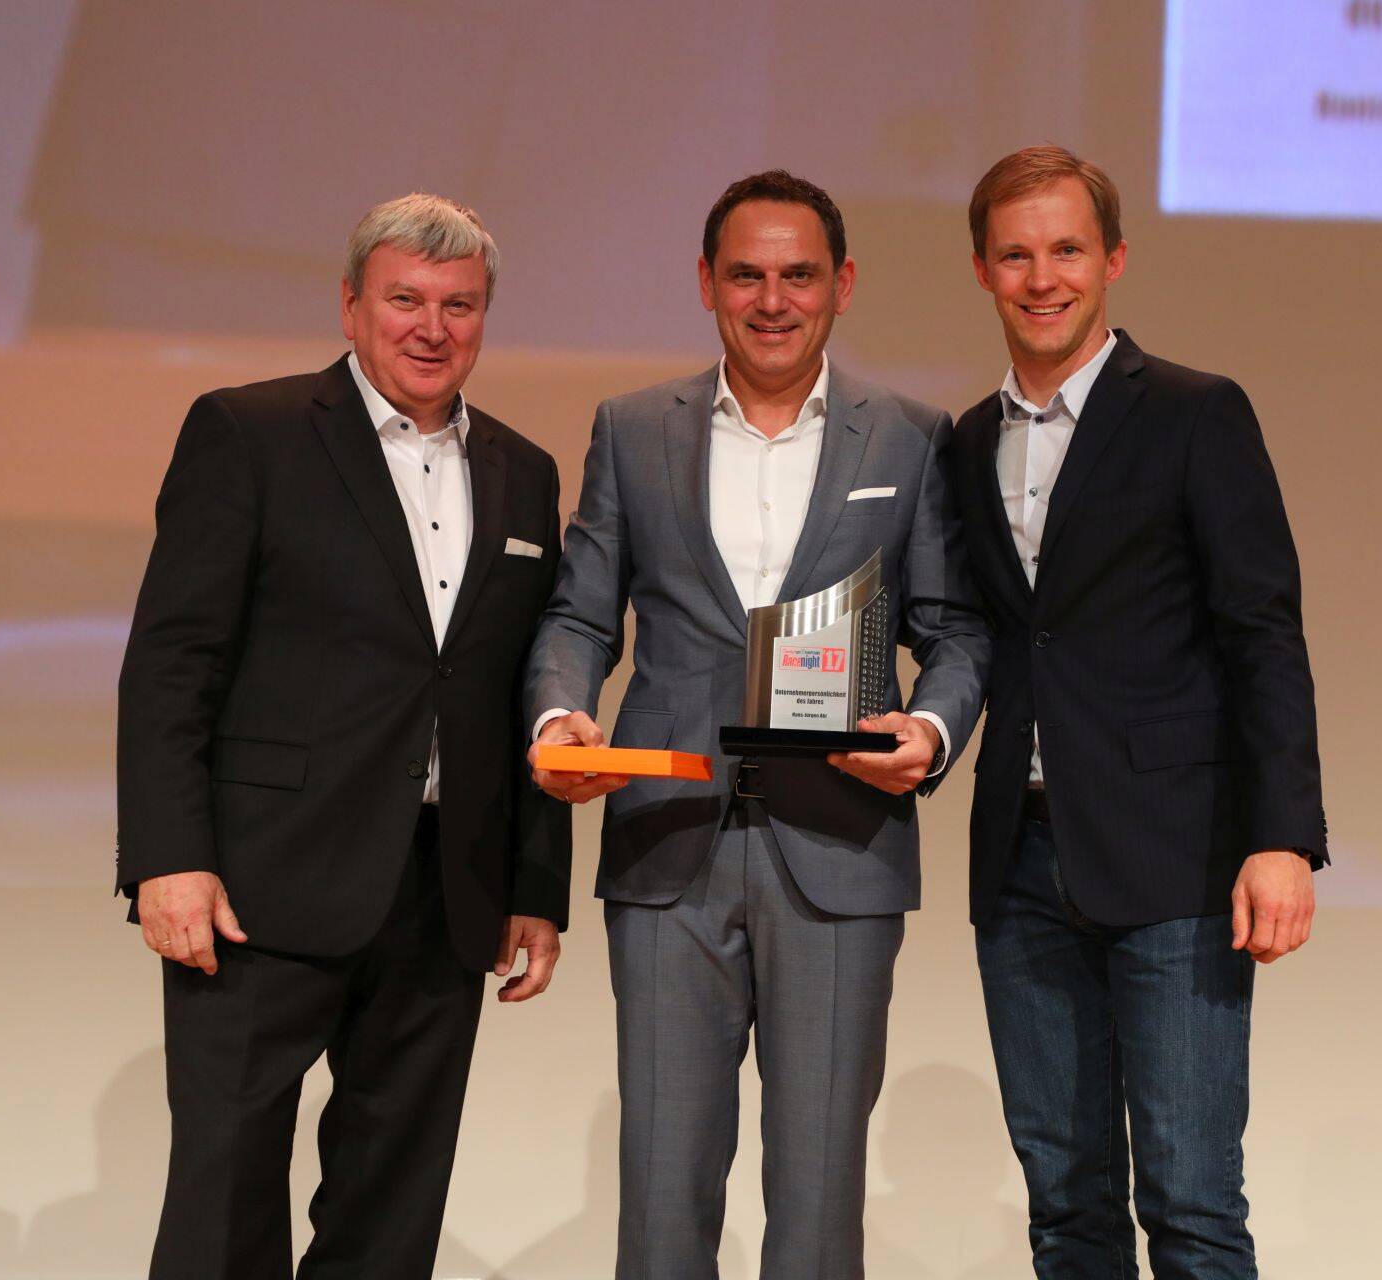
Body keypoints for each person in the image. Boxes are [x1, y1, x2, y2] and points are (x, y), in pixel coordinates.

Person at [527, 169, 988, 1278]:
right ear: (705, 283)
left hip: (840, 844)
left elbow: (958, 631)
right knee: (661, 1191)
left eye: (798, 275)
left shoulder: (910, 437)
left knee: (820, 1199)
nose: (772, 300)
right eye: (746, 275)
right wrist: (560, 712)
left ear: (843, 285)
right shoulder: (633, 429)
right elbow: (580, 613)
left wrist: (930, 733)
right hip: (666, 840)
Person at [115, 193, 570, 1280]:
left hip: (443, 895)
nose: (432, 328)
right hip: (256, 889)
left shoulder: (526, 470)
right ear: (351, 305)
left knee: (390, 1213)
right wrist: (167, 858)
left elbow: (518, 686)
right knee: (225, 1202)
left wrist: (533, 882)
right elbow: (174, 659)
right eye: (405, 299)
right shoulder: (250, 432)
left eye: (459, 305)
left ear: (485, 315)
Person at [951, 145, 1328, 1277]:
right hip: (1020, 863)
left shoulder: (1195, 412)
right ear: (983, 269)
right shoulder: (966, 440)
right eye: (1017, 255)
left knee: (1192, 1201)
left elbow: (1262, 632)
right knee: (1066, 1207)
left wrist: (1282, 836)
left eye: (1068, 249)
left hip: (1177, 858)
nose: (1044, 278)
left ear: (1113, 258)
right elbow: (984, 634)